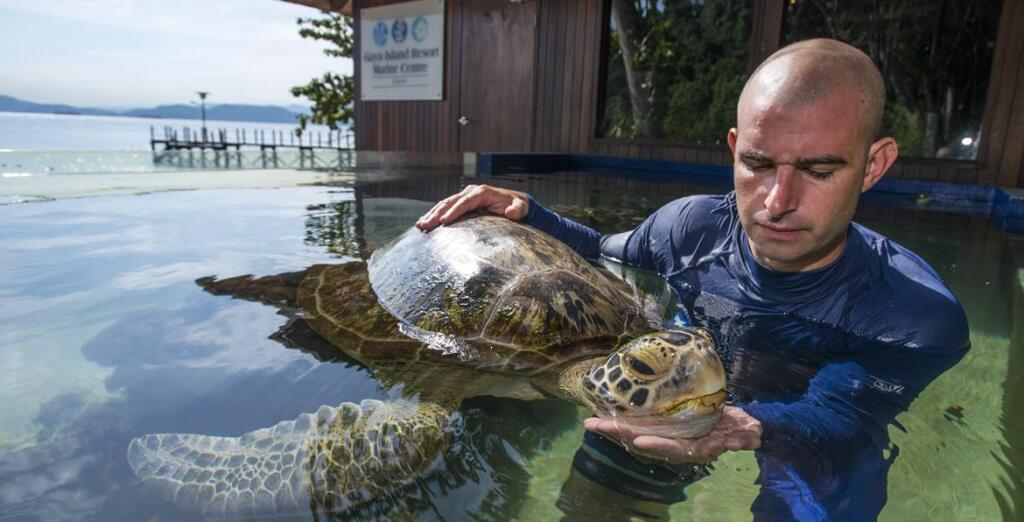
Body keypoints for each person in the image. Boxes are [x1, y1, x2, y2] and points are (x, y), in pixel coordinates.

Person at [416, 39, 969, 520]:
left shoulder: (913, 317)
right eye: (757, 164)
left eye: (818, 170)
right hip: (676, 398)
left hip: (816, 434)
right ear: (732, 148)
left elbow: (844, 415)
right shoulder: (691, 229)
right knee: (593, 508)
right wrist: (529, 211)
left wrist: (749, 426)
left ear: (874, 165)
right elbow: (606, 255)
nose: (778, 202)